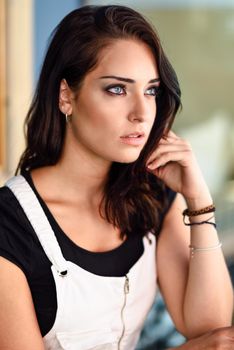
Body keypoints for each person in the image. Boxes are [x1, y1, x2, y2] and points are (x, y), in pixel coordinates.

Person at [0, 5, 233, 350]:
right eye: (117, 90)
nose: (141, 114)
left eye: (151, 90)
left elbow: (212, 330)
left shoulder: (152, 194)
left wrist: (198, 201)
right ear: (67, 95)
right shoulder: (10, 225)